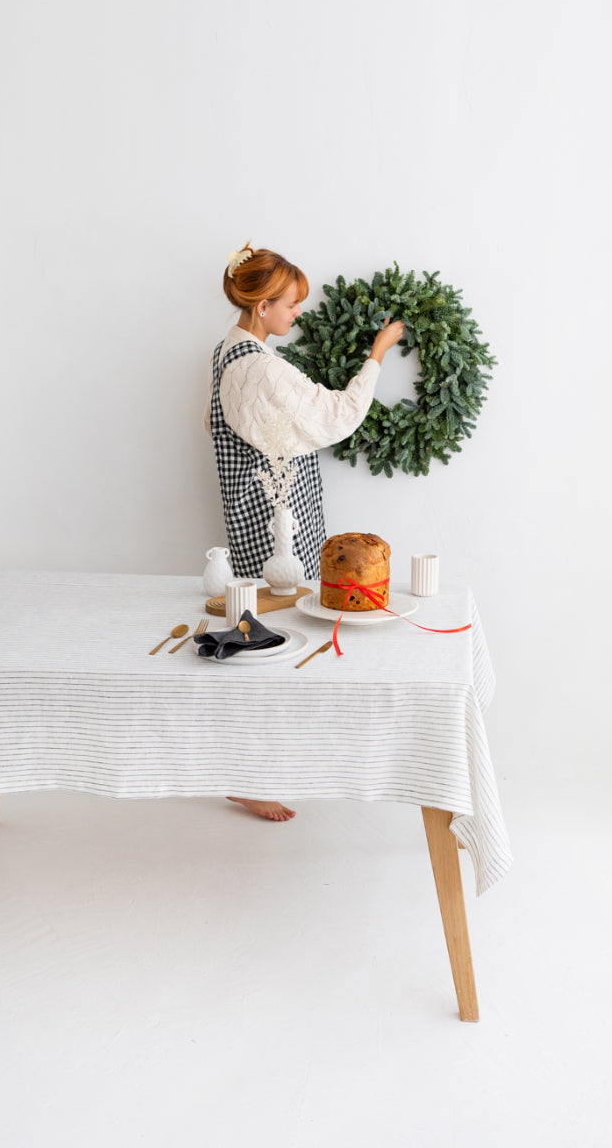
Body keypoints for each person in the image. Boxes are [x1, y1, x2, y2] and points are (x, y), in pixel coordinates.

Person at [205, 242, 404, 821]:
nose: (298, 313)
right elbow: (337, 413)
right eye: (291, 304)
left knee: (257, 634)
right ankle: (250, 775)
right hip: (278, 516)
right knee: (276, 641)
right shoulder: (261, 367)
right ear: (262, 306)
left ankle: (253, 771)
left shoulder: (225, 352)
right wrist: (378, 352)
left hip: (250, 507)